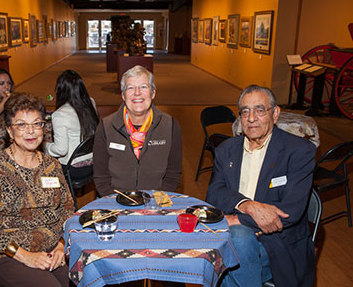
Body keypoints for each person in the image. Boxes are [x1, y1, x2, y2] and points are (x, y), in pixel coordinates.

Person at [206, 85, 316, 287]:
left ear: (275, 114)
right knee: (219, 251)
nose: (251, 118)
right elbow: (214, 193)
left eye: (260, 110)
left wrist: (237, 218)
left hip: (278, 242)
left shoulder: (299, 151)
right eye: (245, 111)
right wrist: (248, 205)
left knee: (224, 256)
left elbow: (290, 211)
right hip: (235, 237)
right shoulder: (227, 149)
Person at [0, 93, 75, 287]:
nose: (31, 131)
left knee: (84, 278)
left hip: (51, 248)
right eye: (21, 125)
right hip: (8, 254)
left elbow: (67, 208)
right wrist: (26, 256)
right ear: (10, 131)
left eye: (36, 124)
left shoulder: (52, 165)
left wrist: (61, 245)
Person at [93, 65, 182, 197]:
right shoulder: (106, 127)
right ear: (123, 95)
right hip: (116, 201)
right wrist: (117, 201)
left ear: (153, 93)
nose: (137, 93)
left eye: (143, 87)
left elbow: (173, 174)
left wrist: (156, 201)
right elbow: (101, 176)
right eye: (130, 88)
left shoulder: (170, 126)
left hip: (155, 201)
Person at [44, 70, 99, 177]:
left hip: (73, 169)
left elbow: (61, 150)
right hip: (94, 163)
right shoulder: (91, 102)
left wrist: (45, 146)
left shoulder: (60, 114)